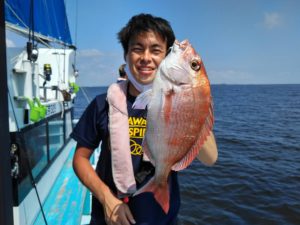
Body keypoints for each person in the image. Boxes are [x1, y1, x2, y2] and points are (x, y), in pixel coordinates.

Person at [71, 13, 218, 225]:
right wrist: (106, 198)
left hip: (161, 217)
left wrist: (195, 103)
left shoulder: (176, 100)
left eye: (156, 50)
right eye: (137, 49)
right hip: (109, 218)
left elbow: (210, 159)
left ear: (167, 57)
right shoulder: (102, 104)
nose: (146, 57)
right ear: (126, 55)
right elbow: (80, 159)